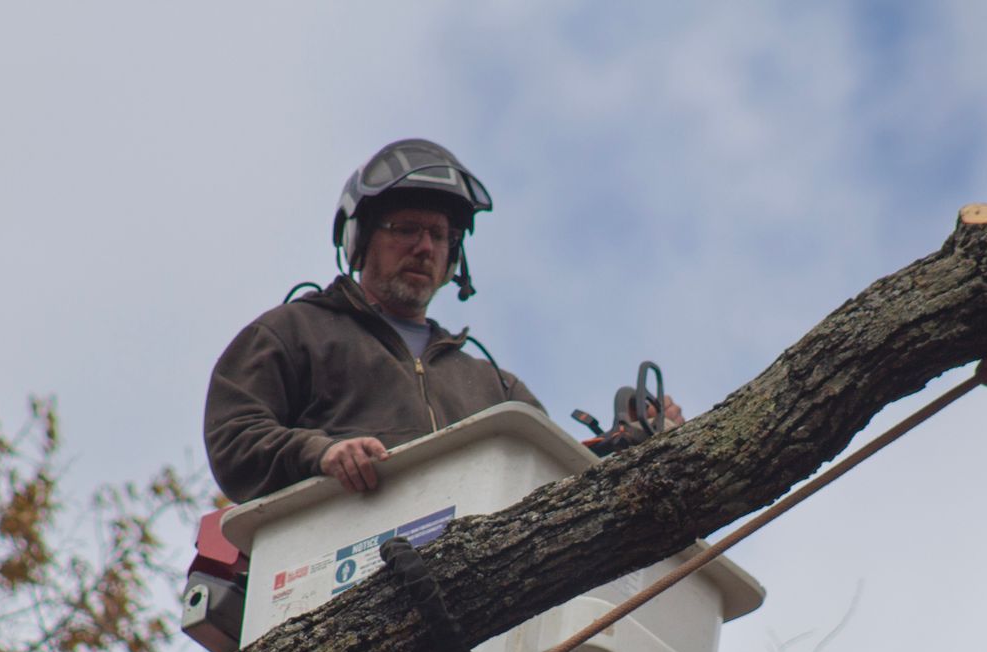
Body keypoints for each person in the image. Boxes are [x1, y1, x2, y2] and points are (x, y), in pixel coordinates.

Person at [204, 138, 678, 503]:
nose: (425, 247)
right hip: (334, 564)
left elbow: (546, 480)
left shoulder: (495, 387)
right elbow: (235, 435)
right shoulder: (295, 333)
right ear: (360, 239)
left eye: (439, 235)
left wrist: (632, 449)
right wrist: (321, 453)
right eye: (405, 229)